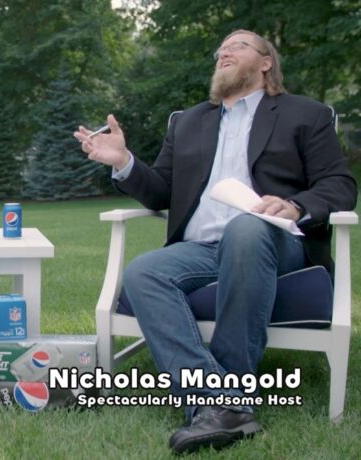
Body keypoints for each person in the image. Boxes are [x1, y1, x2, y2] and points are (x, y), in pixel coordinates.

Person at [74, 30, 357, 453]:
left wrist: (295, 206)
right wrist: (124, 162)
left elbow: (339, 184)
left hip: (274, 241)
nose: (224, 52)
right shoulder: (189, 122)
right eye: (220, 49)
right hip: (202, 249)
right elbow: (161, 190)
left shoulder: (305, 114)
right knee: (143, 271)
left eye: (237, 45)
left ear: (266, 62)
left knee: (246, 228)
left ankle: (230, 391)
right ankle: (218, 401)